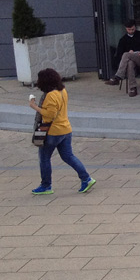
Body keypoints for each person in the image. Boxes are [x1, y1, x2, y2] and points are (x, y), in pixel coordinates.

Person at [28, 68, 96, 196]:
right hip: (66, 129)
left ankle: (46, 186)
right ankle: (86, 179)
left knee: (44, 158)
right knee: (68, 156)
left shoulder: (50, 95)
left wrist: (34, 106)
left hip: (53, 132)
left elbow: (49, 116)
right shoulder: (62, 91)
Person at [105, 20, 140, 96]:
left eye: (133, 29)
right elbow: (119, 54)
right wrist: (129, 52)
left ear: (135, 27)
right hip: (130, 59)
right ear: (126, 28)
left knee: (126, 54)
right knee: (130, 63)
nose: (131, 31)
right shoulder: (123, 40)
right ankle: (132, 88)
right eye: (129, 29)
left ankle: (118, 77)